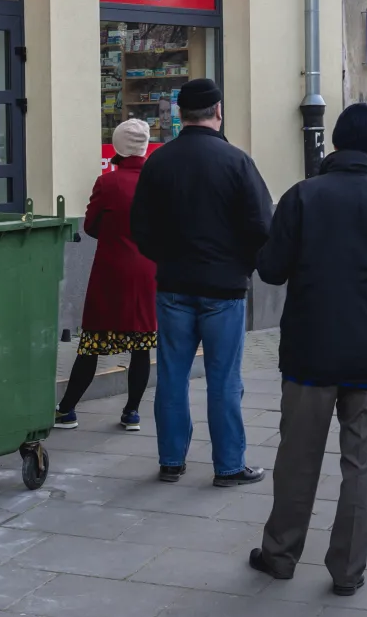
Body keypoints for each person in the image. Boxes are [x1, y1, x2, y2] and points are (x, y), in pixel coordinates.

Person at [246, 103, 367, 596]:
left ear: (335, 144)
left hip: (309, 353)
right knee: (359, 467)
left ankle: (280, 554)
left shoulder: (303, 197)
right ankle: (348, 571)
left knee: (297, 459)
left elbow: (271, 269)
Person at [130, 78, 272, 487]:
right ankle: (228, 466)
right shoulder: (236, 161)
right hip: (224, 289)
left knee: (172, 376)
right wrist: (241, 264)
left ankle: (171, 461)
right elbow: (262, 224)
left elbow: (140, 227)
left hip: (173, 285)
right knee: (224, 379)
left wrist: (166, 258)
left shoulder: (158, 162)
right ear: (218, 111)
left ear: (180, 114)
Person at [54, 119, 158, 432]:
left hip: (112, 272)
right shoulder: (159, 183)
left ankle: (68, 409)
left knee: (92, 345)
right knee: (141, 347)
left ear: (117, 147)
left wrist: (113, 234)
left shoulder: (108, 183)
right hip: (148, 272)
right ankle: (132, 413)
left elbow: (90, 226)